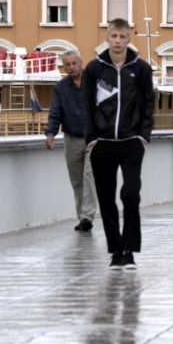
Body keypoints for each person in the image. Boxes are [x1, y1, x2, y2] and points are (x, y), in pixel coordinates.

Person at [83, 18, 154, 270]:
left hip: (131, 141)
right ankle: (116, 251)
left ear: (128, 39)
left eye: (122, 36)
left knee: (131, 193)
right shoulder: (94, 69)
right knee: (106, 198)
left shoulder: (141, 69)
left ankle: (130, 250)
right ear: (107, 37)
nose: (117, 41)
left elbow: (148, 103)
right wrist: (91, 139)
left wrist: (143, 135)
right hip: (102, 143)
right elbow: (87, 105)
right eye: (114, 36)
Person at [45, 50, 98, 232]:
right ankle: (83, 217)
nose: (72, 67)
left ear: (81, 63)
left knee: (89, 175)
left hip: (93, 139)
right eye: (67, 64)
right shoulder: (60, 88)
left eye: (74, 63)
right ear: (64, 67)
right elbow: (55, 112)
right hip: (71, 138)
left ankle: (87, 216)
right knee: (76, 180)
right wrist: (50, 133)